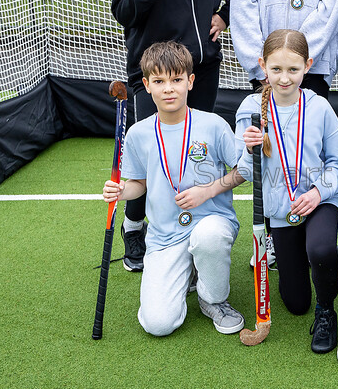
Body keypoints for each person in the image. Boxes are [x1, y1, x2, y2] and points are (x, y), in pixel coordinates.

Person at [111, 0, 238, 272]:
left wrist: (226, 14)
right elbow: (124, 13)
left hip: (199, 71)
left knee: (194, 155)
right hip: (153, 76)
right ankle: (134, 227)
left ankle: (194, 231)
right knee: (151, 157)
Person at [101, 41, 244, 336]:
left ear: (190, 82)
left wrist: (209, 190)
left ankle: (212, 298)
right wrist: (121, 191)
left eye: (177, 79)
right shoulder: (138, 133)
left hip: (210, 222)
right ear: (146, 85)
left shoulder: (214, 125)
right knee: (158, 324)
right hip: (165, 234)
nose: (169, 88)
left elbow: (244, 171)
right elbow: (138, 184)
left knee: (210, 237)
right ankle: (188, 270)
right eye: (159, 81)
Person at [235, 29, 338, 354]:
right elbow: (244, 171)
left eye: (294, 70)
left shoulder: (320, 108)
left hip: (318, 203)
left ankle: (327, 310)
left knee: (321, 249)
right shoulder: (251, 108)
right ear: (262, 66)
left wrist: (317, 193)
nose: (285, 78)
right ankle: (306, 261)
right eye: (276, 69)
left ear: (308, 66)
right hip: (281, 212)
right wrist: (248, 150)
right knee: (296, 302)